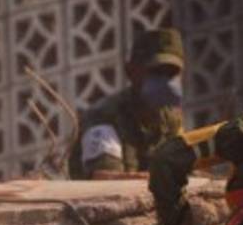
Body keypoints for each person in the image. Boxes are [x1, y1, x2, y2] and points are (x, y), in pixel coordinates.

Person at [68, 28, 187, 179]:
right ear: (131, 72)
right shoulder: (103, 117)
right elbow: (105, 182)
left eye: (171, 73)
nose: (165, 81)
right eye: (155, 72)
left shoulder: (171, 119)